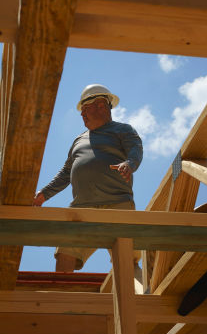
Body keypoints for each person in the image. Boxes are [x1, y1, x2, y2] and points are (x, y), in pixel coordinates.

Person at [33, 83, 143, 273]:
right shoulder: (79, 139)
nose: (82, 114)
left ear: (101, 105)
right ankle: (62, 299)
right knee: (65, 252)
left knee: (126, 257)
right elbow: (67, 172)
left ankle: (135, 298)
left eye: (85, 109)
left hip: (117, 203)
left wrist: (130, 164)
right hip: (82, 207)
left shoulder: (122, 130)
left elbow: (135, 150)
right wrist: (44, 194)